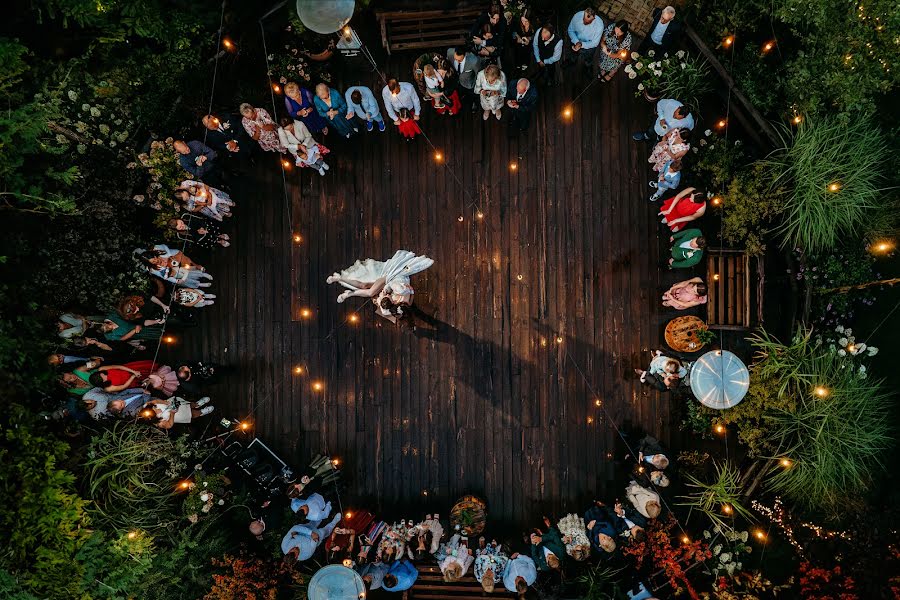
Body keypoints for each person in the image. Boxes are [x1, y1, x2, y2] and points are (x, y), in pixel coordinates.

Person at [327, 250, 434, 323]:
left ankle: (345, 289)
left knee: (365, 287)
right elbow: (402, 290)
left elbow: (411, 294)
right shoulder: (401, 295)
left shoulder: (394, 305)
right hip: (389, 279)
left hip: (389, 284)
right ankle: (344, 287)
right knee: (367, 289)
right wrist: (387, 291)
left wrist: (382, 297)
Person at [135, 245, 214, 288]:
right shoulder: (152, 269)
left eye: (154, 258)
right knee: (182, 278)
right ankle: (199, 284)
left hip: (175, 258)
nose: (155, 260)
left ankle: (202, 273)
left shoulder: (157, 249)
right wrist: (176, 281)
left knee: (188, 267)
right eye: (153, 261)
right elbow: (164, 276)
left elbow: (165, 247)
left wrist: (169, 255)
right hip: (172, 271)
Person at [566, 8, 604, 76]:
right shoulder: (577, 16)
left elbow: (595, 43)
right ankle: (571, 61)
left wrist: (581, 44)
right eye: (584, 19)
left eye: (588, 22)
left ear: (594, 18)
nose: (584, 22)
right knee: (573, 53)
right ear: (584, 13)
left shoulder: (599, 25)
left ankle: (588, 67)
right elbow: (570, 30)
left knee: (588, 58)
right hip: (575, 40)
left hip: (589, 45)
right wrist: (576, 42)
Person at [142, 396, 213, 428]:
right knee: (192, 414)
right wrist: (172, 414)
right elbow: (169, 425)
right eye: (155, 411)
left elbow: (156, 401)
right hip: (177, 415)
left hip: (173, 404)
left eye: (154, 408)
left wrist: (166, 403)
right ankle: (201, 412)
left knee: (188, 404)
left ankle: (197, 404)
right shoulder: (158, 422)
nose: (155, 408)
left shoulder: (148, 406)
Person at [446, 47, 480, 112]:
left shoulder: (474, 61)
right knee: (459, 91)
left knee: (472, 94)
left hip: (468, 82)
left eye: (460, 60)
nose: (457, 61)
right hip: (455, 79)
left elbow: (478, 73)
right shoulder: (449, 52)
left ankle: (474, 103)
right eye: (456, 59)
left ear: (465, 55)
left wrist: (474, 84)